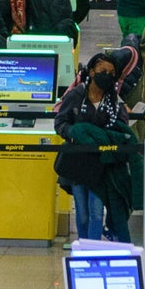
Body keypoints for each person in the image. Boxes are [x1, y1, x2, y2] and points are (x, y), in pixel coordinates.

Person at [54, 66, 137, 241]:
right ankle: (84, 248)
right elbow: (60, 123)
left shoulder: (114, 99)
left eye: (110, 72)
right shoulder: (76, 95)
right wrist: (75, 133)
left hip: (101, 166)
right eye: (102, 70)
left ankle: (92, 251)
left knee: (96, 214)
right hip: (78, 162)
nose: (106, 75)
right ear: (91, 72)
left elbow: (122, 128)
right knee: (83, 213)